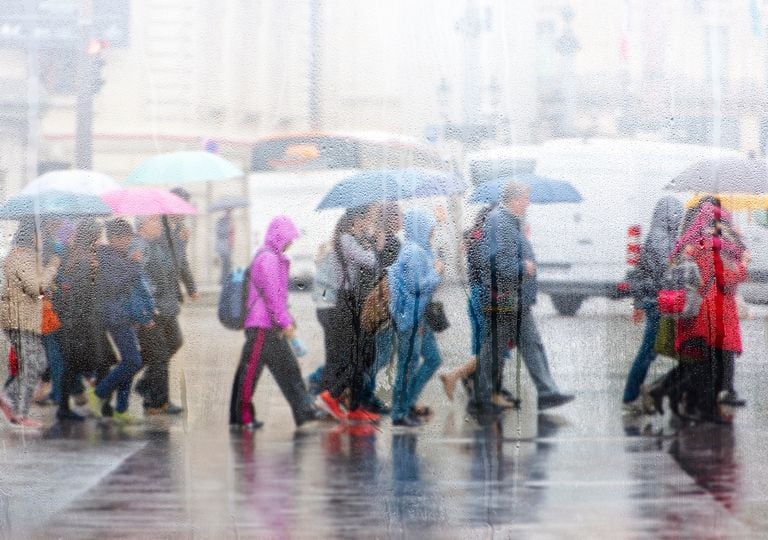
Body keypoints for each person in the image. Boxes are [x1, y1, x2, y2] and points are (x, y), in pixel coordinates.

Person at [472, 181, 574, 415]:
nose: (528, 203)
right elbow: (497, 263)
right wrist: (523, 267)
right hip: (507, 296)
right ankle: (483, 394)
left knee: (528, 344)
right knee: (496, 348)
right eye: (525, 198)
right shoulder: (502, 223)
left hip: (514, 298)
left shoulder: (508, 222)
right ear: (515, 199)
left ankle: (546, 393)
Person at [646, 201, 749, 422]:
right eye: (723, 221)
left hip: (696, 311)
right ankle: (697, 403)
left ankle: (693, 401)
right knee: (708, 365)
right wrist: (743, 264)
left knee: (701, 363)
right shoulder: (714, 246)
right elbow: (728, 278)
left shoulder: (693, 243)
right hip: (715, 313)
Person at [228, 215, 319, 430]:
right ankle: (242, 416)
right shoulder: (268, 259)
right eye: (289, 238)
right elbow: (272, 296)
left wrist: (287, 320)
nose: (291, 242)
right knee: (250, 373)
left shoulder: (272, 257)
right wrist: (285, 322)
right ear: (279, 237)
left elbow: (277, 297)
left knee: (289, 369)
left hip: (270, 325)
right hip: (261, 326)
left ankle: (304, 411)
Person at [315, 205, 382, 423]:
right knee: (349, 354)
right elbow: (370, 261)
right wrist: (373, 245)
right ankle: (330, 397)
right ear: (357, 220)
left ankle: (342, 402)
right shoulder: (346, 240)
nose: (367, 225)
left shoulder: (344, 239)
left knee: (348, 354)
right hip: (339, 304)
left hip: (339, 302)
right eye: (365, 220)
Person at [85, 219, 154, 425]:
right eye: (126, 239)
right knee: (133, 361)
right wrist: (133, 264)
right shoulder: (105, 257)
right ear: (115, 238)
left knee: (130, 361)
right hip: (115, 316)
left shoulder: (117, 255)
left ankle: (121, 408)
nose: (129, 242)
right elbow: (114, 285)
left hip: (126, 315)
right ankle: (98, 393)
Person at [621, 197, 683, 415]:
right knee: (651, 351)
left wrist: (639, 302)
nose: (680, 218)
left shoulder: (657, 236)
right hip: (660, 303)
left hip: (654, 301)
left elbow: (641, 273)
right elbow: (667, 272)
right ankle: (633, 396)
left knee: (660, 350)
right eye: (677, 213)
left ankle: (665, 391)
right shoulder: (662, 240)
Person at [0, 223, 61, 428]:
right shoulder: (22, 257)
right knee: (33, 364)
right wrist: (52, 267)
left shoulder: (25, 258)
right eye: (39, 235)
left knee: (37, 363)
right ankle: (17, 408)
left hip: (25, 319)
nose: (42, 238)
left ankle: (13, 402)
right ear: (30, 238)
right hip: (20, 320)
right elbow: (36, 288)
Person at [388, 209, 444, 427]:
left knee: (433, 359)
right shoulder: (414, 251)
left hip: (419, 316)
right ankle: (399, 412)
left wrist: (436, 266)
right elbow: (416, 286)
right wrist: (436, 272)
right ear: (421, 227)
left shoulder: (421, 249)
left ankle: (407, 404)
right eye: (429, 227)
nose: (432, 231)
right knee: (407, 364)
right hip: (410, 318)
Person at [56, 219, 111, 421]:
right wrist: (97, 273)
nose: (101, 240)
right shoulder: (84, 261)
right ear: (93, 237)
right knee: (94, 362)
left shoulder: (76, 256)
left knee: (76, 365)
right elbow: (88, 292)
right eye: (99, 236)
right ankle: (96, 404)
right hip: (84, 321)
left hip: (78, 320)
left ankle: (67, 406)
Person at [133, 215, 187, 415]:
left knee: (174, 342)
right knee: (158, 355)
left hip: (166, 307)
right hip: (152, 309)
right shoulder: (139, 245)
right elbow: (137, 276)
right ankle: (156, 402)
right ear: (142, 225)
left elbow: (175, 265)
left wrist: (181, 243)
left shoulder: (156, 244)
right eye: (154, 222)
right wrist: (149, 300)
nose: (158, 225)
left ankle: (146, 385)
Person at [216, 209, 235, 284]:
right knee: (226, 263)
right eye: (229, 211)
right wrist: (228, 229)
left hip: (228, 246)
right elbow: (220, 232)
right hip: (223, 246)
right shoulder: (222, 221)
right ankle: (223, 281)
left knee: (227, 263)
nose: (231, 213)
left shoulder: (230, 221)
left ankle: (224, 280)